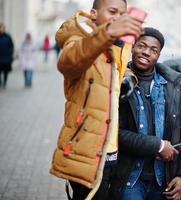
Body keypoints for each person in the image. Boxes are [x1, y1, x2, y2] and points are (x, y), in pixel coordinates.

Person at [49, 0, 144, 199]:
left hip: (111, 151)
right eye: (112, 11)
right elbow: (68, 62)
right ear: (93, 14)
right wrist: (108, 32)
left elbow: (113, 71)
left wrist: (128, 77)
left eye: (122, 13)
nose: (118, 17)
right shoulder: (78, 38)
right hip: (86, 154)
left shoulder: (115, 46)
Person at [110, 27, 181, 200]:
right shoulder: (119, 82)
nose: (146, 52)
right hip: (130, 179)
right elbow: (112, 133)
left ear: (158, 55)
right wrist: (157, 145)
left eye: (153, 50)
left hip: (162, 181)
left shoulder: (171, 85)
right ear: (133, 47)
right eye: (142, 46)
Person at [0, 23, 14, 89]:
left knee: (5, 71)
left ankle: (5, 82)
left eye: (2, 28)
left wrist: (10, 53)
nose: (1, 29)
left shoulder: (8, 36)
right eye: (0, 28)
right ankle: (0, 82)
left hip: (6, 57)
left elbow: (11, 46)